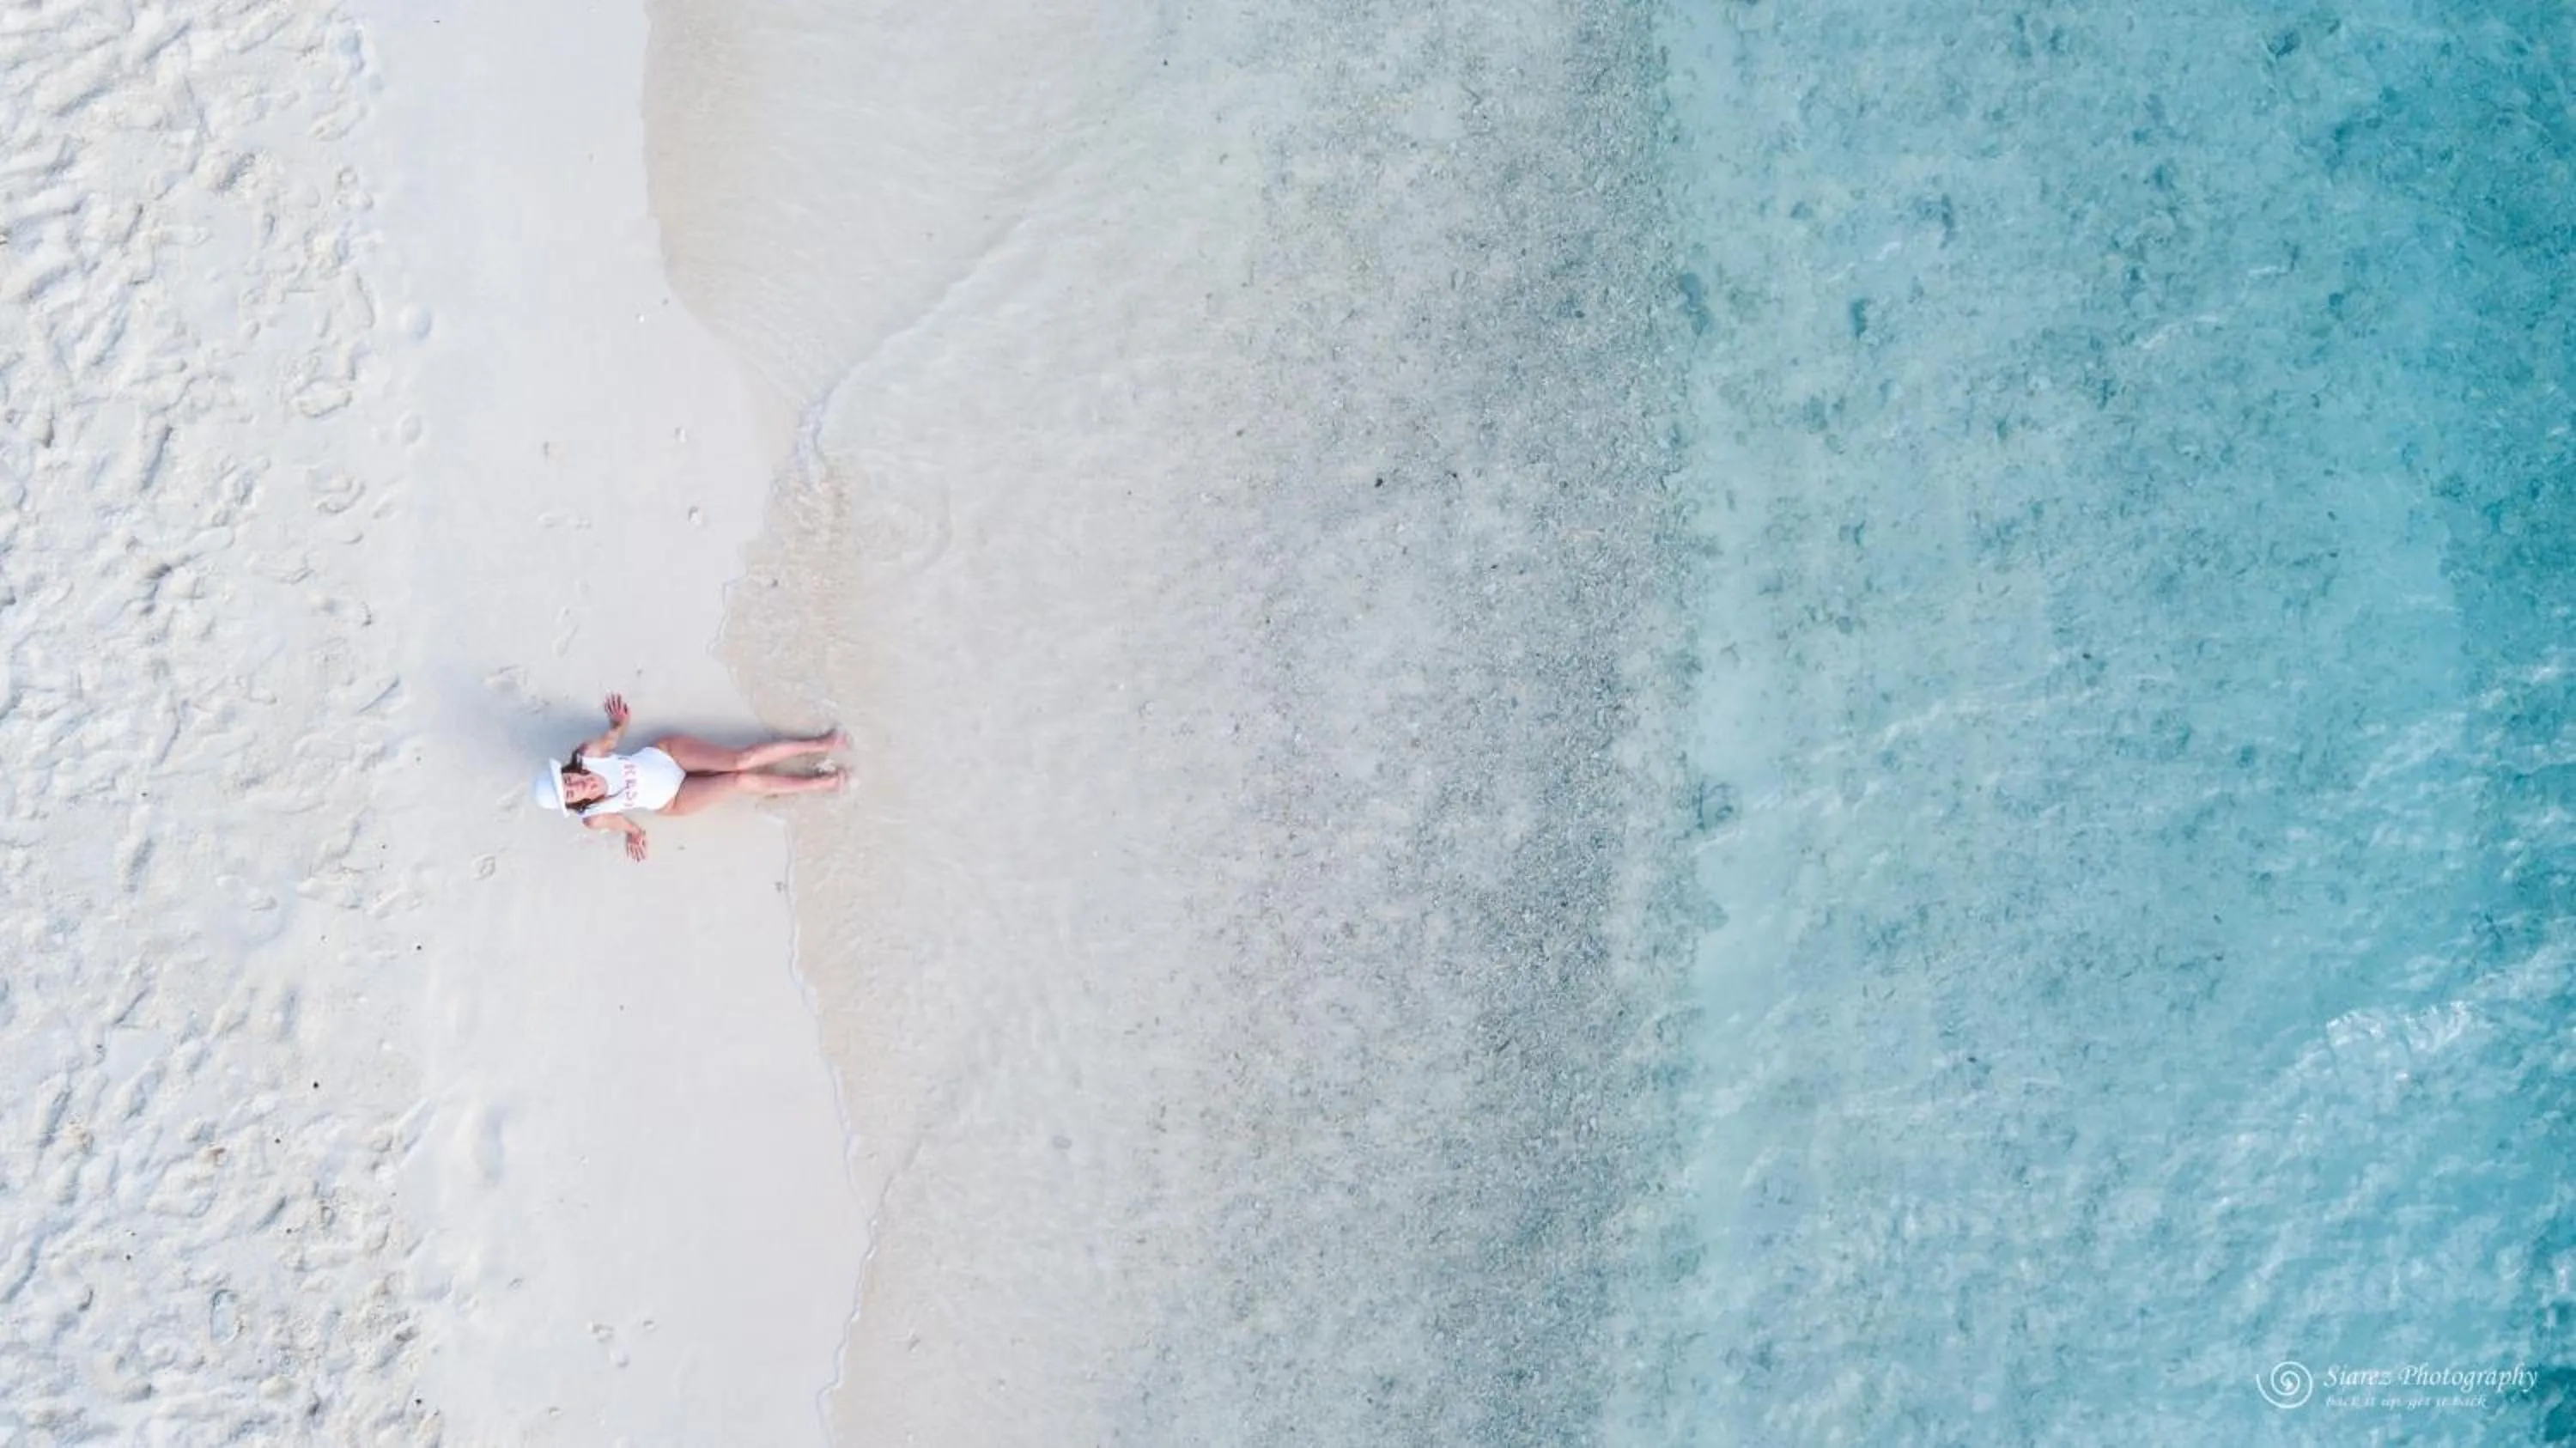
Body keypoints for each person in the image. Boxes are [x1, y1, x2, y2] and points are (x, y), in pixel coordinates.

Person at [529, 693, 845, 861]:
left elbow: (614, 738)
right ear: (574, 803)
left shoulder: (590, 755)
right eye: (571, 793)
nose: (577, 785)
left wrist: (619, 722)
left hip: (667, 755)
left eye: (569, 780)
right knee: (740, 781)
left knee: (742, 760)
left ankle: (821, 744)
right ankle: (820, 782)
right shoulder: (594, 817)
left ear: (569, 772)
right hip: (674, 799)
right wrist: (635, 835)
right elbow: (626, 824)